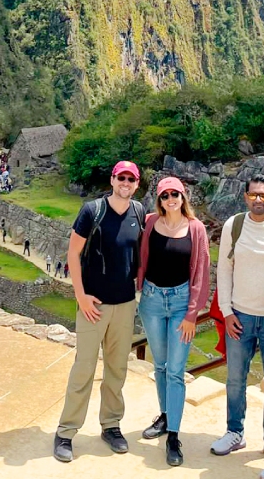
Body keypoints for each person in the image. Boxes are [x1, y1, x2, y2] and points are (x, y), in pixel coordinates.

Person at [53, 160, 145, 463]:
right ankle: (66, 431)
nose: (126, 183)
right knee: (84, 368)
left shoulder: (138, 212)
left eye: (131, 179)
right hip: (94, 305)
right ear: (113, 179)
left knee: (117, 369)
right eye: (121, 178)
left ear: (137, 184)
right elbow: (73, 253)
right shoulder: (93, 211)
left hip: (124, 303)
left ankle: (111, 425)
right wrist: (80, 295)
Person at [212, 175, 264, 463]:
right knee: (235, 378)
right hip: (240, 315)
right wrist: (227, 311)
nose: (258, 199)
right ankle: (235, 431)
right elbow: (224, 269)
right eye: (253, 195)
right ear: (245, 197)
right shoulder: (234, 225)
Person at [136, 177, 211, 467]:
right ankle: (166, 416)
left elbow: (201, 271)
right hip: (152, 300)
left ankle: (173, 437)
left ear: (183, 197)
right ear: (160, 199)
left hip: (181, 302)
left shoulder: (195, 228)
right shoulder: (150, 223)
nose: (171, 199)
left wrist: (192, 314)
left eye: (175, 194)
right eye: (165, 195)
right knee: (160, 365)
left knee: (176, 371)